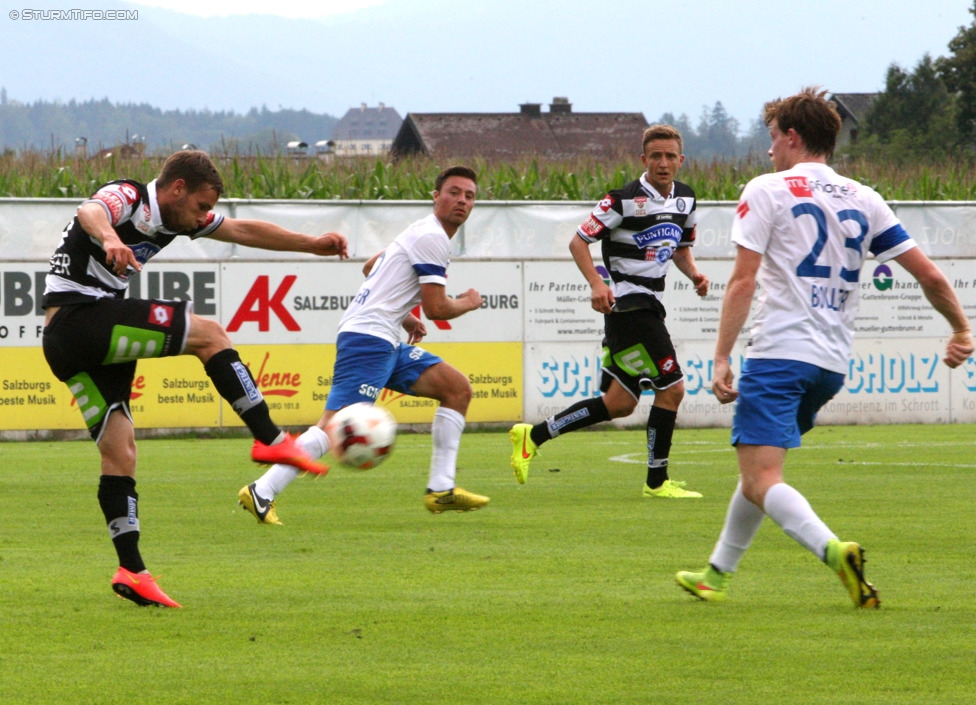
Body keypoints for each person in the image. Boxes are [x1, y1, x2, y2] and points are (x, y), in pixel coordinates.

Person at [675, 88, 975, 608]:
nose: (769, 151)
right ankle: (715, 574)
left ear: (792, 137)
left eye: (772, 139)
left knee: (761, 474)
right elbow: (927, 273)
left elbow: (743, 281)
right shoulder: (865, 197)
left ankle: (835, 552)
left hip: (779, 354)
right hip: (830, 365)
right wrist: (961, 329)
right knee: (758, 471)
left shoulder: (767, 189)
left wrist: (721, 357)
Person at [41, 150, 348, 608]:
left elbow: (241, 230)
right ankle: (270, 438)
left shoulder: (176, 217)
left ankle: (132, 570)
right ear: (177, 188)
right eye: (202, 206)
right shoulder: (130, 196)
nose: (205, 216)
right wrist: (109, 236)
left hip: (69, 344)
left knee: (120, 451)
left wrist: (311, 243)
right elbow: (90, 211)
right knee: (210, 334)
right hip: (79, 319)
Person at [240, 165, 489, 523]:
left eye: (469, 196)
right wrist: (469, 301)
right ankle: (262, 490)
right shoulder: (433, 237)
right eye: (454, 192)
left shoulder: (422, 231)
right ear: (436, 196)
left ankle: (441, 490)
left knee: (457, 389)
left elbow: (371, 267)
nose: (462, 201)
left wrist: (403, 316)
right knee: (333, 426)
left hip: (383, 337)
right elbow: (437, 308)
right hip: (368, 340)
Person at [509, 124, 709, 498]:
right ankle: (657, 483)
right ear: (643, 159)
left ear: (681, 160)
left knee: (617, 404)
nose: (663, 163)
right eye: (656, 156)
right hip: (630, 307)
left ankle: (533, 435)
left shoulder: (686, 199)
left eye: (670, 156)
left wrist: (695, 273)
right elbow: (578, 241)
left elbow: (681, 248)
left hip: (651, 305)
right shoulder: (622, 200)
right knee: (673, 390)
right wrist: (597, 284)